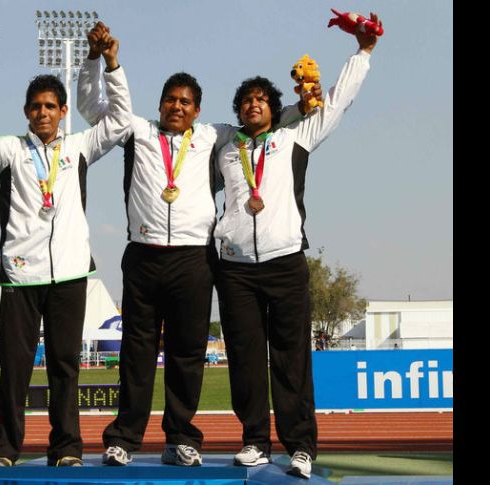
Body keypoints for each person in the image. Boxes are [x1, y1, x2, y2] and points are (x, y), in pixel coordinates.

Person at [77, 22, 318, 467]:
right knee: (137, 352)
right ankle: (124, 439)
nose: (177, 106)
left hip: (194, 259)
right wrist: (98, 61)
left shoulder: (214, 135)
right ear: (159, 104)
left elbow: (267, 123)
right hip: (144, 256)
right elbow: (93, 108)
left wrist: (300, 106)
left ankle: (181, 439)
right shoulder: (136, 131)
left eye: (186, 102)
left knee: (187, 355)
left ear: (198, 110)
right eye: (170, 99)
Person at [0, 25, 131, 467]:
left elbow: (118, 122)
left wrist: (109, 64)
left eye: (50, 107)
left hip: (71, 274)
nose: (43, 113)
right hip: (21, 273)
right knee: (14, 370)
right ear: (26, 112)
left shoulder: (80, 146)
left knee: (65, 368)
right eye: (36, 107)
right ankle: (6, 450)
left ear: (62, 112)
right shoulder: (11, 151)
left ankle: (67, 448)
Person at [213, 13, 382, 479]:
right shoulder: (224, 146)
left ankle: (301, 446)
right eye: (246, 101)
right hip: (235, 268)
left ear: (274, 109)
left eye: (261, 100)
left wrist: (362, 53)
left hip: (286, 262)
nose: (253, 105)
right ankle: (254, 440)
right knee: (245, 359)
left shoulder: (295, 137)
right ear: (238, 110)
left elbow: (335, 103)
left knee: (291, 358)